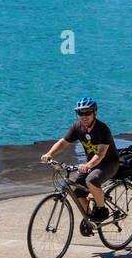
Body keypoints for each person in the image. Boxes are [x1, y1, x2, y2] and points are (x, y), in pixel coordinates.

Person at [41, 96, 120, 233]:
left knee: (92, 180)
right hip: (91, 164)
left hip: (109, 163)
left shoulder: (103, 129)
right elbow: (63, 142)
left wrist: (88, 166)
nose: (84, 116)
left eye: (87, 113)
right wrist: (49, 154)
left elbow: (101, 154)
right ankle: (90, 219)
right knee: (77, 191)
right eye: (80, 113)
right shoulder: (77, 127)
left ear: (95, 113)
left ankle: (101, 209)